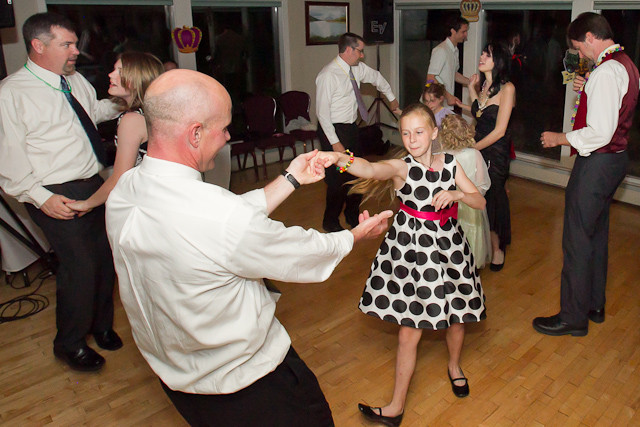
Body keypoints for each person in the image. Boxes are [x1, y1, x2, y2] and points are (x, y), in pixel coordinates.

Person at [105, 68, 393, 426]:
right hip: (250, 385)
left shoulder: (125, 191)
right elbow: (296, 251)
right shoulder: (218, 218)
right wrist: (354, 236)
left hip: (179, 381)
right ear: (195, 134)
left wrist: (291, 179)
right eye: (223, 127)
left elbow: (228, 222)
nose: (228, 137)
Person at [314, 103, 486, 426]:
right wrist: (340, 158)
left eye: (419, 132)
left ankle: (454, 366)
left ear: (434, 133)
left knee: (457, 317)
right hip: (412, 254)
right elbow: (369, 169)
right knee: (409, 331)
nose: (411, 139)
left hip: (448, 248)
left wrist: (457, 195)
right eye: (405, 133)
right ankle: (396, 407)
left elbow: (480, 200)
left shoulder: (451, 165)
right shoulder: (402, 167)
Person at [0, 12, 121, 371]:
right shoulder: (12, 93)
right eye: (67, 44)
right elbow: (8, 159)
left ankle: (100, 326)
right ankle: (68, 343)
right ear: (38, 46)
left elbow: (91, 112)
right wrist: (42, 198)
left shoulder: (74, 80)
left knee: (104, 257)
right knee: (80, 266)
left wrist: (125, 101)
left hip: (92, 183)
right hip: (52, 190)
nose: (76, 51)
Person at [533, 12, 639, 337]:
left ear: (591, 37)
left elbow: (600, 132)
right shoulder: (625, 64)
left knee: (577, 238)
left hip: (598, 163)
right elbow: (613, 109)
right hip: (616, 161)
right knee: (596, 234)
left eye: (580, 47)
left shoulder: (607, 72)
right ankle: (593, 305)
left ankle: (573, 317)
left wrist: (560, 138)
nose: (580, 54)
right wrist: (588, 85)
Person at [316, 32, 401, 232]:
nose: (362, 55)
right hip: (332, 130)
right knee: (337, 180)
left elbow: (377, 77)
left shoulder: (357, 69)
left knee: (358, 174)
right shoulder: (328, 75)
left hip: (351, 128)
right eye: (360, 51)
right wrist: (335, 143)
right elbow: (322, 114)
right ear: (348, 50)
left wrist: (391, 97)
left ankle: (353, 215)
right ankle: (330, 221)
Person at [66, 52, 164, 215]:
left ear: (136, 78)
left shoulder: (132, 120)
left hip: (146, 203)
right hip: (158, 197)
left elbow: (120, 176)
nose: (111, 75)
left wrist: (87, 204)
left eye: (120, 71)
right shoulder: (152, 112)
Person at [457, 41, 515, 271]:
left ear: (498, 60)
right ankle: (479, 248)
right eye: (482, 53)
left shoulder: (507, 88)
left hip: (495, 151)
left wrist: (474, 149)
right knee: (476, 198)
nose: (481, 57)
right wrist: (472, 89)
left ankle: (498, 248)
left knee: (493, 199)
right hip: (478, 148)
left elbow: (500, 130)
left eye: (487, 54)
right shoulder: (484, 87)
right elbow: (478, 111)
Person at [439, 114, 492, 269]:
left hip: (449, 205)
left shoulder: (442, 156)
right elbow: (482, 184)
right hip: (470, 205)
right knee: (470, 234)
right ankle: (469, 265)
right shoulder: (474, 154)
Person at [426, 16, 471, 108]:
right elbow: (430, 78)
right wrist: (448, 96)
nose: (466, 35)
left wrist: (470, 82)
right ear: (453, 31)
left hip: (444, 104)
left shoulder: (455, 50)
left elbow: (452, 74)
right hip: (434, 106)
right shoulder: (441, 50)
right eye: (463, 32)